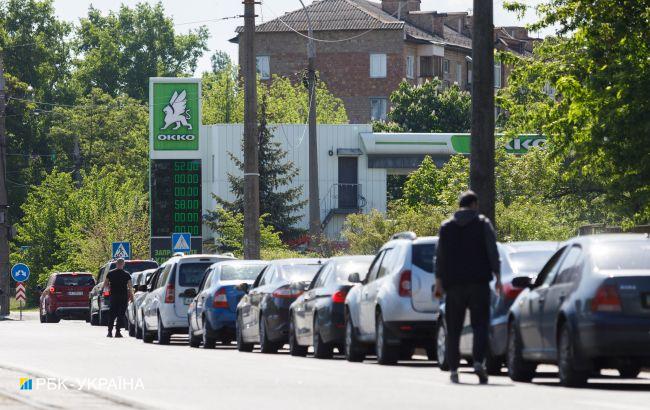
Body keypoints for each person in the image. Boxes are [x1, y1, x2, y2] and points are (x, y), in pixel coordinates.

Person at [434, 190, 502, 384]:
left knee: (453, 328)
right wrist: (498, 278)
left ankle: (454, 369)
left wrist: (438, 283)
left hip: (453, 285)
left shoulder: (446, 227)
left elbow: (440, 257)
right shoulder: (483, 224)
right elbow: (492, 251)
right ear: (474, 205)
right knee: (480, 325)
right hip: (479, 284)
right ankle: (478, 362)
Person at [103, 258, 134, 338]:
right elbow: (130, 287)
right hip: (123, 297)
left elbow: (105, 285)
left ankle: (109, 332)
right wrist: (132, 297)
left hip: (113, 297)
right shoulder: (126, 274)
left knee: (112, 314)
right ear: (123, 264)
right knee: (121, 314)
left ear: (116, 264)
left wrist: (106, 294)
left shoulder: (110, 273)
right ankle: (117, 332)